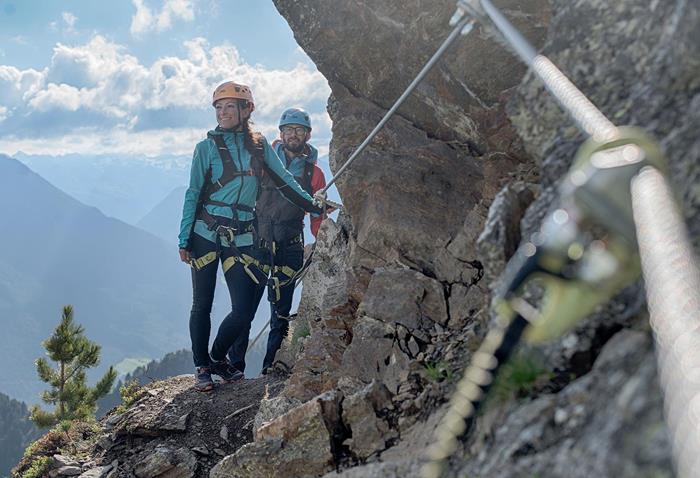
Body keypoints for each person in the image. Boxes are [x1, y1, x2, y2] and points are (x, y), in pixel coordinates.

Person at [178, 82, 324, 392]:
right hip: (205, 234)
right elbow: (193, 192)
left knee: (243, 309)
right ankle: (202, 366)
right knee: (201, 304)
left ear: (246, 111)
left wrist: (311, 205)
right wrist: (184, 237)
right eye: (219, 107)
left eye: (230, 106)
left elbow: (284, 182)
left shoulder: (259, 147)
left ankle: (217, 357)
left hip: (243, 237)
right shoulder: (205, 149)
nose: (223, 112)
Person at [227, 108, 327, 375]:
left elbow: (318, 213)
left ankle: (270, 368)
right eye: (289, 130)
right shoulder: (263, 163)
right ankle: (234, 366)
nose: (293, 135)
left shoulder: (314, 173)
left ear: (307, 135)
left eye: (299, 130)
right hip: (258, 240)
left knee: (281, 312)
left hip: (290, 244)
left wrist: (321, 242)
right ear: (281, 134)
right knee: (245, 308)